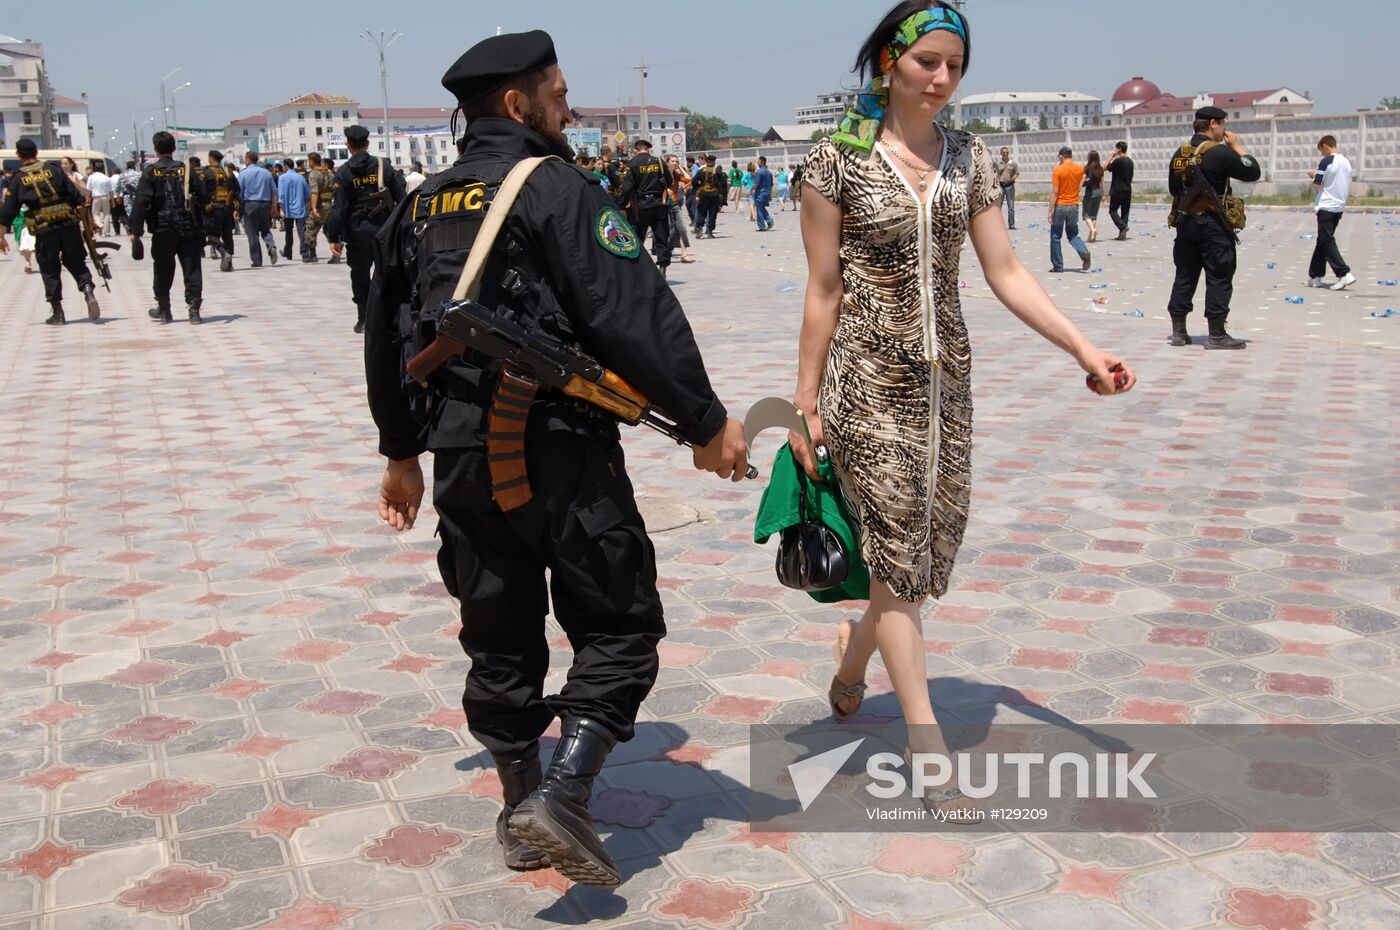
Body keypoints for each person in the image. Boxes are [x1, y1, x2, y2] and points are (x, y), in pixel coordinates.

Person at [365, 29, 749, 887]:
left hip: (463, 454)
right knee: (621, 624)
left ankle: (518, 806)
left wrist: (400, 453)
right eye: (559, 93)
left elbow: (384, 336)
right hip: (562, 451)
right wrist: (705, 420)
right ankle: (563, 794)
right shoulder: (556, 187)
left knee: (497, 633)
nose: (569, 109)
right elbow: (633, 310)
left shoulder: (421, 202)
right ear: (517, 104)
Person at [794, 1, 1133, 801]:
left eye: (955, 65)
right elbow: (822, 289)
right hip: (866, 385)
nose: (942, 79)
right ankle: (928, 752)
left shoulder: (970, 159)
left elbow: (1006, 270)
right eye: (927, 63)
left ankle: (853, 660)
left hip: (946, 394)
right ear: (888, 62)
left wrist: (1085, 349)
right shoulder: (833, 161)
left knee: (911, 561)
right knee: (902, 570)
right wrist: (803, 401)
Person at [1165, 105, 1261, 349]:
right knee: (1219, 274)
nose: (1225, 129)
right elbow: (1252, 171)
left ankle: (1179, 332)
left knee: (1185, 274)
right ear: (1213, 124)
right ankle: (1217, 334)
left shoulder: (1180, 153)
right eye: (1223, 124)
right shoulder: (1219, 152)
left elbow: (1173, 189)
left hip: (1185, 224)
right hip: (1212, 225)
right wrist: (1237, 147)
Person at [0, 137, 102, 324]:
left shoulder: (18, 178)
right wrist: (89, 223)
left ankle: (58, 313)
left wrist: (1, 235)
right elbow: (77, 197)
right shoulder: (54, 170)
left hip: (45, 230)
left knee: (50, 269)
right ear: (36, 153)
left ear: (18, 155)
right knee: (77, 262)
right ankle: (88, 291)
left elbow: (8, 210)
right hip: (69, 225)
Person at [329, 124, 406, 333]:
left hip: (357, 234)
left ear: (347, 145)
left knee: (360, 275)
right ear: (367, 143)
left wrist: (333, 236)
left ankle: (363, 319)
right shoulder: (384, 167)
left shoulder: (344, 172)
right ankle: (388, 317)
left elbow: (339, 208)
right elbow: (402, 198)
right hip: (384, 232)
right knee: (386, 275)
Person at [129, 131, 207, 324]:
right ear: (173, 148)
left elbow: (140, 202)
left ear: (155, 149)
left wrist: (135, 230)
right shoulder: (187, 170)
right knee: (192, 268)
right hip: (188, 227)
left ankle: (164, 310)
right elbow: (204, 197)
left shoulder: (150, 172)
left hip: (163, 229)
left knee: (163, 268)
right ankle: (194, 310)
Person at [619, 137, 673, 277]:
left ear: (636, 149)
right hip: (659, 204)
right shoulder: (659, 162)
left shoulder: (632, 164)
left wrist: (621, 204)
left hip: (641, 206)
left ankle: (638, 266)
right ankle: (663, 266)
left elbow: (627, 188)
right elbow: (669, 181)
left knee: (637, 237)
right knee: (661, 236)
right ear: (648, 149)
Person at [1307, 134, 1355, 291]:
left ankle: (1343, 273)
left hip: (1326, 206)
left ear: (1326, 146)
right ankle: (1316, 275)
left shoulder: (1326, 161)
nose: (1322, 154)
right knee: (1323, 240)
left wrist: (1313, 175)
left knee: (1327, 241)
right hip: (1339, 206)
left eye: (1322, 150)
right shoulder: (1346, 162)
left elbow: (1317, 184)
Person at [1048, 146, 1090, 272]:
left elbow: (1055, 192)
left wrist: (1050, 210)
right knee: (1073, 234)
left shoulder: (1058, 170)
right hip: (1074, 205)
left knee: (1055, 235)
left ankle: (1058, 265)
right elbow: (1083, 179)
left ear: (1061, 156)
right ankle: (1083, 251)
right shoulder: (1080, 168)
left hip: (1061, 205)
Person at [200, 150, 240, 272]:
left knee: (211, 235)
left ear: (211, 158)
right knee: (228, 236)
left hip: (213, 209)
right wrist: (236, 209)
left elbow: (201, 192)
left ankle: (223, 252)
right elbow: (237, 190)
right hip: (227, 209)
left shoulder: (206, 173)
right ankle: (229, 264)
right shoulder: (228, 172)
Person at [237, 151, 279, 267]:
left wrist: (237, 209)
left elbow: (239, 193)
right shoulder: (266, 173)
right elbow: (274, 191)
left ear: (247, 160)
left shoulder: (243, 174)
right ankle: (271, 246)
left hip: (250, 204)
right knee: (265, 229)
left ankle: (257, 260)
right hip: (265, 204)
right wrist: (274, 207)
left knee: (252, 233)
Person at [277, 158, 311, 262]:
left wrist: (281, 210)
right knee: (302, 232)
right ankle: (304, 254)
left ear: (286, 166)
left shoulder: (282, 178)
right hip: (300, 208)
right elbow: (307, 193)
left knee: (288, 232)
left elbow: (281, 195)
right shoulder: (300, 177)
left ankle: (288, 253)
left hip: (287, 209)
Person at [303, 152, 333, 263]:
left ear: (312, 161)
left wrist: (314, 207)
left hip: (319, 204)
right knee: (330, 229)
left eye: (308, 161)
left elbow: (314, 192)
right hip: (330, 204)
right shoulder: (329, 172)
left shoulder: (313, 174)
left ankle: (313, 254)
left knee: (311, 228)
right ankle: (336, 252)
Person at [665, 153, 694, 263]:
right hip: (665, 206)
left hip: (675, 205)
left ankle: (684, 254)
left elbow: (689, 179)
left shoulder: (676, 176)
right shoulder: (663, 175)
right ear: (667, 163)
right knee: (667, 230)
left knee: (682, 229)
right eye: (672, 161)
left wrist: (680, 167)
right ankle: (665, 252)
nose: (675, 163)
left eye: (676, 161)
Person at [692, 153, 727, 238]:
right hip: (714, 195)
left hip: (703, 194)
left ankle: (700, 229)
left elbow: (694, 182)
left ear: (706, 161)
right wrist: (723, 196)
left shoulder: (701, 171)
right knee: (712, 213)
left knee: (701, 212)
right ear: (714, 162)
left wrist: (698, 189)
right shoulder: (718, 171)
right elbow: (723, 183)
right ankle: (709, 231)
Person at [1105, 141, 1133, 239]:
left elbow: (1105, 168)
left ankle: (1123, 227)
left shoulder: (1118, 161)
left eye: (1115, 149)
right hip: (1128, 189)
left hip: (1118, 189)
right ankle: (1122, 233)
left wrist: (1111, 156)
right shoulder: (1130, 161)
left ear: (1119, 149)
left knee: (1112, 210)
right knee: (1125, 212)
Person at [1081, 150, 1103, 243]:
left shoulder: (1087, 168)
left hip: (1090, 192)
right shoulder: (1100, 169)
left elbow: (1083, 180)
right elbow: (1102, 183)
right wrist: (1103, 194)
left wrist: (1078, 189)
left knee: (1085, 215)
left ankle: (1093, 230)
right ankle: (1091, 237)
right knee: (1093, 215)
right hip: (1098, 192)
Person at [995, 145, 1018, 229]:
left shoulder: (1013, 163)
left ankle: (1011, 224)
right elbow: (994, 174)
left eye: (1007, 152)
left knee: (1011, 207)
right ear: (1001, 153)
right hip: (1000, 186)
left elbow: (1017, 173)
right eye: (1004, 152)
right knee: (998, 206)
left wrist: (1013, 178)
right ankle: (998, 224)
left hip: (1010, 186)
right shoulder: (997, 164)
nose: (1005, 154)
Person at [86, 164, 113, 235]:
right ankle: (106, 232)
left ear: (93, 169)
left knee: (95, 213)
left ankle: (100, 225)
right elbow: (110, 191)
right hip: (105, 197)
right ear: (103, 169)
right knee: (106, 214)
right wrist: (112, 200)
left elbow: (88, 189)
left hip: (96, 198)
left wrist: (87, 197)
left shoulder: (91, 177)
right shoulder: (106, 177)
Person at [752, 155, 774, 230]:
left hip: (760, 194)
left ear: (762, 162)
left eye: (758, 161)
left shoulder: (759, 172)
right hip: (766, 193)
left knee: (759, 210)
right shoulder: (769, 173)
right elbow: (771, 185)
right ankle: (769, 220)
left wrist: (750, 191)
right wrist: (770, 195)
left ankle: (762, 226)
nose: (757, 163)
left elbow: (756, 184)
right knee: (761, 208)